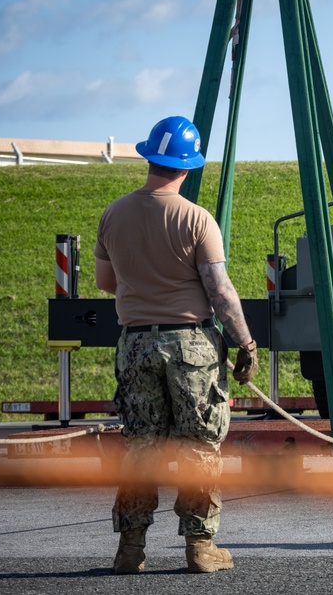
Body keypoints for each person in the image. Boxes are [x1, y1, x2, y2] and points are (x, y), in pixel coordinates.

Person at [94, 115, 259, 573]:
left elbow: (106, 282)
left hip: (135, 346)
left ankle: (130, 550)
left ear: (150, 157)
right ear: (187, 167)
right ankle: (201, 549)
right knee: (198, 448)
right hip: (191, 349)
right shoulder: (196, 219)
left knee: (140, 447)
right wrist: (245, 343)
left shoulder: (113, 214)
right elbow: (220, 291)